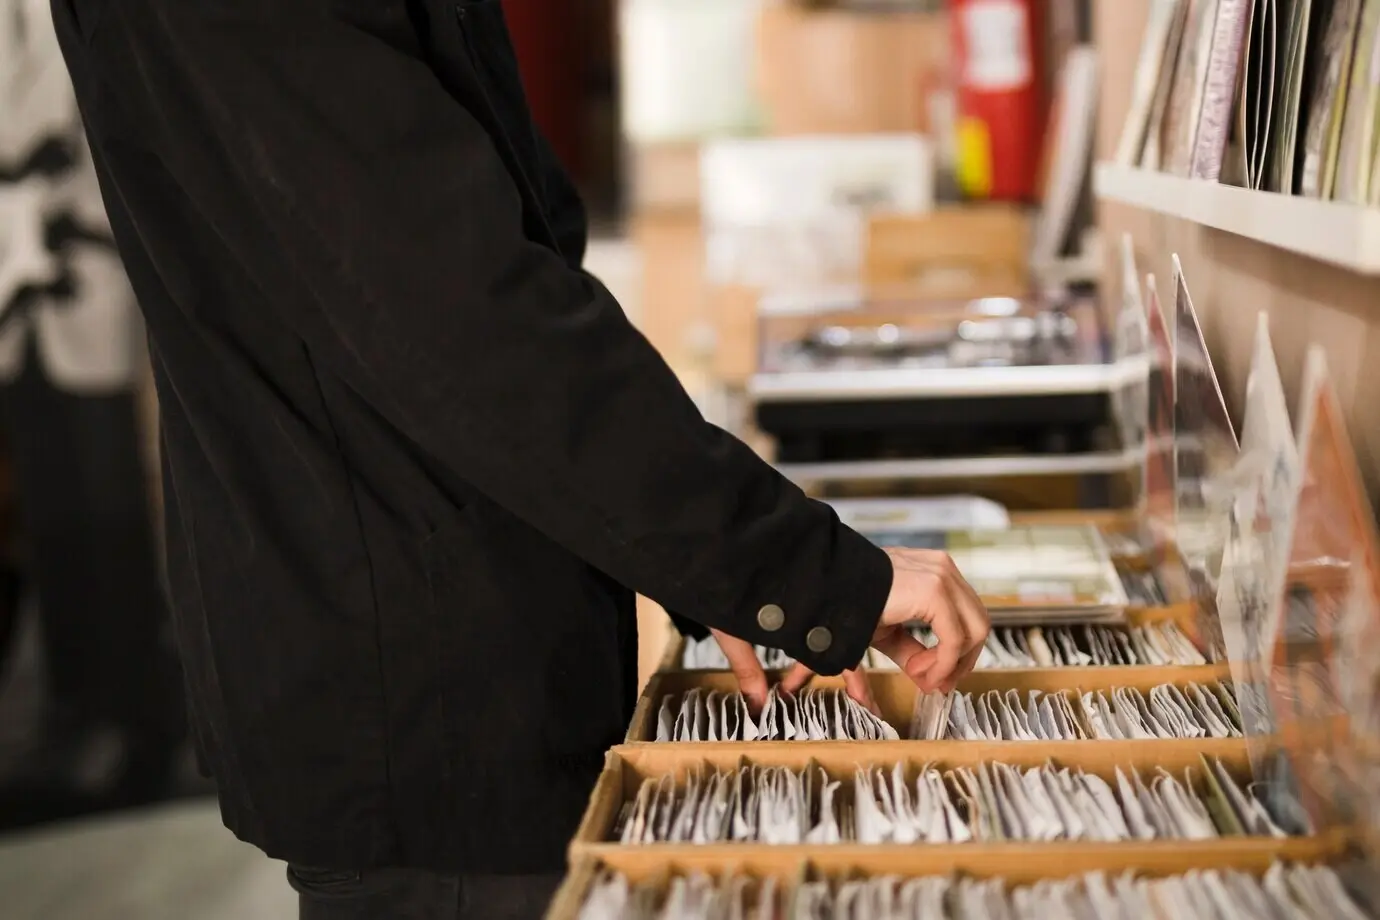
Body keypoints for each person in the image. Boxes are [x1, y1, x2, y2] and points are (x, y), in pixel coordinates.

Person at [51, 2, 991, 918]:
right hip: (427, 704)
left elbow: (513, 250)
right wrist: (791, 568)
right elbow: (467, 322)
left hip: (458, 662)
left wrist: (702, 558)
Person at [0, 0, 184, 828]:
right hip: (12, 287)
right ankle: (72, 709)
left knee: (114, 503)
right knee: (51, 505)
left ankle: (136, 720)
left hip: (84, 259)